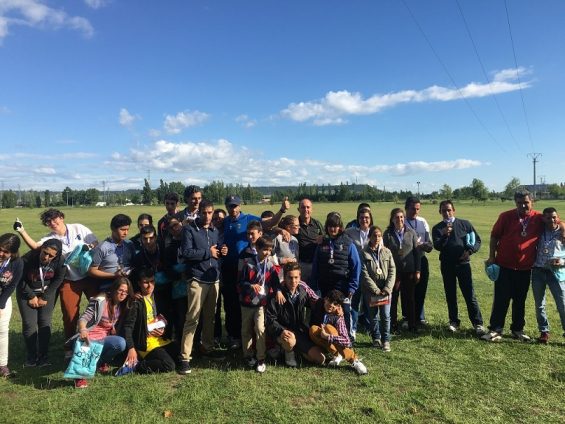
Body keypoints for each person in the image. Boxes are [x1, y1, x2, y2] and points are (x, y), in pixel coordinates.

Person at [14, 208, 98, 355]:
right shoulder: (50, 239)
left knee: (98, 308)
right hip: (69, 279)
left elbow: (95, 241)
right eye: (48, 222)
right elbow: (35, 246)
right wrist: (22, 231)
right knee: (69, 314)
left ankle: (97, 341)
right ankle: (70, 347)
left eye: (55, 219)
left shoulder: (78, 228)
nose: (53, 223)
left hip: (89, 276)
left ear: (61, 217)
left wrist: (87, 248)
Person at [221, 194, 289, 350]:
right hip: (230, 268)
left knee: (256, 305)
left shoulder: (249, 219)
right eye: (230, 206)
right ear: (226, 206)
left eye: (235, 205)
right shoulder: (225, 221)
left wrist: (282, 211)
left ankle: (260, 341)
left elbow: (269, 224)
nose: (233, 208)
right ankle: (235, 337)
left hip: (250, 266)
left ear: (240, 205)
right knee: (232, 305)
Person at [482, 190, 548, 342]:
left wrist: (563, 229)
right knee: (501, 299)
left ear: (532, 202)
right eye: (519, 203)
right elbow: (494, 236)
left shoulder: (538, 217)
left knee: (520, 300)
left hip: (525, 268)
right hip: (504, 265)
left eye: (526, 202)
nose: (523, 205)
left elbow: (555, 222)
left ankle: (517, 329)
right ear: (515, 203)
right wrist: (492, 256)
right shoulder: (506, 216)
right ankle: (495, 329)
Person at [179, 200, 227, 374]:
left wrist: (223, 251)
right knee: (192, 319)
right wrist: (209, 253)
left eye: (210, 213)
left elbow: (217, 250)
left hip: (213, 280)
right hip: (197, 280)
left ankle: (207, 348)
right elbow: (187, 252)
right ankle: (185, 357)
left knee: (210, 318)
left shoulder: (215, 230)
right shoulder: (190, 229)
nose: (207, 216)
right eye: (204, 213)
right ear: (198, 212)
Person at [431, 200, 485, 335]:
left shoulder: (465, 224)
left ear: (454, 210)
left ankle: (477, 323)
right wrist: (444, 234)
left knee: (469, 294)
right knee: (450, 294)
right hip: (447, 265)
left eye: (449, 210)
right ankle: (454, 321)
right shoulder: (437, 228)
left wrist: (470, 251)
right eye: (444, 211)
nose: (447, 213)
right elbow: (437, 246)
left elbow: (477, 240)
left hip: (463, 265)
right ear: (440, 212)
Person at [74, 277, 134, 388]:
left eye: (125, 292)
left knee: (120, 343)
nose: (122, 294)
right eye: (120, 290)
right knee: (85, 346)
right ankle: (79, 376)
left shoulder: (121, 305)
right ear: (114, 289)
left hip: (104, 337)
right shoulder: (100, 300)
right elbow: (83, 318)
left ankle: (99, 362)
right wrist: (83, 330)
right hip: (89, 336)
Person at [311, 212, 361, 339]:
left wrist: (352, 287)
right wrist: (314, 285)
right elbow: (316, 266)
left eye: (336, 226)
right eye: (330, 226)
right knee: (324, 311)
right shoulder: (322, 243)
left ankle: (346, 340)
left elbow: (356, 266)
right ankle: (323, 339)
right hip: (324, 284)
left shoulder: (348, 243)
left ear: (340, 227)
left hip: (342, 285)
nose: (333, 229)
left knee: (344, 312)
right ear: (327, 227)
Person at [17, 239, 66, 367]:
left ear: (56, 256)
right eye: (45, 252)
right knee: (30, 324)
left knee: (45, 322)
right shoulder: (28, 258)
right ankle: (31, 357)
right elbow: (19, 279)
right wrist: (31, 296)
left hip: (47, 292)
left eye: (51, 255)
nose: (46, 257)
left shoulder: (60, 261)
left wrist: (46, 296)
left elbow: (58, 279)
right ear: (41, 248)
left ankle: (43, 356)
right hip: (26, 291)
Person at [266, 262, 325, 367]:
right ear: (284, 277)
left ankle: (294, 349)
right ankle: (288, 354)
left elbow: (317, 305)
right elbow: (270, 319)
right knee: (290, 340)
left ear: (300, 277)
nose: (293, 281)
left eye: (296, 277)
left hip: (299, 330)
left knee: (320, 359)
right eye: (290, 277)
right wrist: (281, 330)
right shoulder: (276, 295)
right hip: (282, 331)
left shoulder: (303, 292)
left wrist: (331, 307)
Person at [122, 268, 179, 374]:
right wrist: (131, 348)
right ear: (139, 283)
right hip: (146, 344)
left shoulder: (157, 298)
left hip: (160, 340)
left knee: (181, 356)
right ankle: (137, 366)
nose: (150, 285)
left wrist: (163, 331)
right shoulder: (136, 302)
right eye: (146, 282)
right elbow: (128, 327)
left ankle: (153, 360)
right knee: (169, 365)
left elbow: (164, 320)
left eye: (152, 281)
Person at [238, 237, 281, 373]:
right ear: (257, 249)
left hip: (261, 304)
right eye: (264, 249)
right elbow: (240, 283)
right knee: (246, 330)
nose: (267, 252)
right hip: (247, 303)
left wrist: (278, 291)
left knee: (260, 329)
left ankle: (261, 358)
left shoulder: (270, 266)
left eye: (269, 250)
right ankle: (248, 355)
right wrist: (251, 285)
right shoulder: (248, 264)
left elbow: (275, 283)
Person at [309, 290, 368, 375]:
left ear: (339, 306)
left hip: (338, 342)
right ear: (325, 299)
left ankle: (354, 361)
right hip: (323, 344)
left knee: (328, 328)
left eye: (335, 304)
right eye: (330, 301)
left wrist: (327, 336)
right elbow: (309, 291)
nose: (331, 305)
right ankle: (337, 354)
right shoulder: (318, 303)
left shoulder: (338, 317)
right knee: (313, 329)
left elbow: (346, 340)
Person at [383, 208, 421, 333]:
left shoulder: (411, 232)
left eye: (401, 217)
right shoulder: (387, 234)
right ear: (392, 219)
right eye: (396, 217)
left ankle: (412, 324)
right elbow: (383, 253)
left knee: (409, 298)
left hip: (409, 271)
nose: (399, 219)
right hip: (394, 272)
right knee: (393, 298)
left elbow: (417, 253)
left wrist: (418, 270)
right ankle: (393, 325)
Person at [531, 207, 565, 344]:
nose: (551, 220)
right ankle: (544, 331)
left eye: (554, 217)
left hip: (556, 273)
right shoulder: (538, 232)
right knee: (539, 304)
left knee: (562, 304)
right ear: (543, 219)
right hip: (538, 271)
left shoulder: (563, 233)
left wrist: (562, 261)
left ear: (557, 217)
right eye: (548, 217)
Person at [360, 226, 396, 352]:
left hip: (386, 290)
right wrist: (375, 290)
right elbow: (364, 274)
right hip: (371, 291)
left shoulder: (387, 252)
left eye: (379, 235)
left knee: (386, 316)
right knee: (373, 316)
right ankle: (376, 338)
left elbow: (392, 270)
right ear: (369, 237)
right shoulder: (364, 253)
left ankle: (386, 340)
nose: (377, 238)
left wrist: (387, 288)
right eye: (374, 235)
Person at [404, 197, 433, 326]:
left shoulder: (422, 222)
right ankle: (407, 317)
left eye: (417, 209)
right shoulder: (401, 221)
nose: (415, 212)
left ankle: (420, 317)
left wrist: (427, 246)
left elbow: (429, 243)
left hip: (421, 259)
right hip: (407, 261)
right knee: (407, 291)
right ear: (406, 208)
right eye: (412, 209)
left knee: (421, 289)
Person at [345, 207, 373, 337]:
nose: (364, 220)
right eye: (361, 217)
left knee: (369, 302)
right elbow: (338, 234)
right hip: (355, 272)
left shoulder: (375, 232)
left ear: (370, 219)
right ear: (358, 219)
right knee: (354, 301)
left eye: (366, 217)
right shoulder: (350, 232)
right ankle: (353, 328)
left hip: (371, 273)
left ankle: (368, 326)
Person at [89, 214, 136, 291]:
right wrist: (113, 275)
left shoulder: (129, 244)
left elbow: (134, 264)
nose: (126, 233)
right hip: (108, 287)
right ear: (113, 228)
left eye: (127, 229)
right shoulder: (103, 247)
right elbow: (92, 271)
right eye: (122, 230)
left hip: (128, 286)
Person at [0, 234, 24, 378]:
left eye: (5, 252)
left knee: (2, 331)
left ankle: (2, 365)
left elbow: (12, 285)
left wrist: (1, 305)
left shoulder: (17, 263)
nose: (1, 254)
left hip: (3, 298)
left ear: (13, 253)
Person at [296, 198, 324, 286]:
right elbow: (277, 228)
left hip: (316, 264)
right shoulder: (294, 223)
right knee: (302, 290)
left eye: (308, 207)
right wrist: (282, 231)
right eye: (303, 207)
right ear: (298, 209)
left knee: (315, 290)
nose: (306, 210)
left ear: (311, 209)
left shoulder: (317, 224)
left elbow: (326, 236)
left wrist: (323, 237)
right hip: (301, 264)